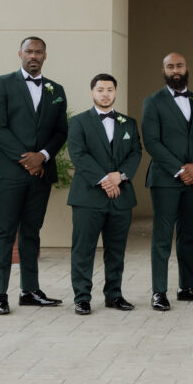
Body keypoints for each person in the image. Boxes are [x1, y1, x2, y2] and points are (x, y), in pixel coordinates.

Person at [0, 37, 68, 315]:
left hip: (41, 173)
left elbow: (60, 132)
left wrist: (42, 156)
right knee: (4, 232)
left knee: (32, 232)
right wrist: (27, 159)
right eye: (29, 51)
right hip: (8, 172)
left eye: (39, 52)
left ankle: (30, 290)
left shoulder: (56, 90)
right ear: (20, 53)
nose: (34, 56)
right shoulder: (2, 84)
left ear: (46, 55)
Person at [141, 52, 193, 311]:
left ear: (187, 68)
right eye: (170, 66)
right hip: (165, 179)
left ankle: (188, 287)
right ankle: (159, 292)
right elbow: (151, 141)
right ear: (163, 70)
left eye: (180, 65)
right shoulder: (153, 102)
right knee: (162, 237)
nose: (175, 70)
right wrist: (178, 169)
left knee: (188, 235)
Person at [66, 74, 141, 315]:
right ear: (92, 93)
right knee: (83, 250)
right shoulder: (78, 122)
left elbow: (136, 152)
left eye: (110, 89)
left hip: (121, 196)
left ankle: (114, 295)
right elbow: (78, 154)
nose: (105, 94)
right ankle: (82, 298)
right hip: (87, 197)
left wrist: (121, 175)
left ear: (115, 92)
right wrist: (104, 180)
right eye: (100, 89)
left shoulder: (128, 123)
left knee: (116, 250)